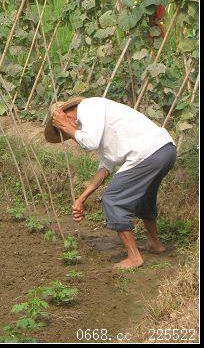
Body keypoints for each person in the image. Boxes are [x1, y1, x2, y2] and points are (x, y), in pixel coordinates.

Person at [45, 96, 176, 270]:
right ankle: (155, 244)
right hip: (164, 150)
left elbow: (89, 143)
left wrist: (64, 125)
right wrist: (81, 199)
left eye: (64, 126)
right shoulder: (96, 123)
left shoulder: (88, 107)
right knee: (144, 197)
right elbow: (105, 168)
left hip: (149, 153)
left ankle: (134, 258)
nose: (69, 133)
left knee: (113, 199)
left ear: (68, 112)